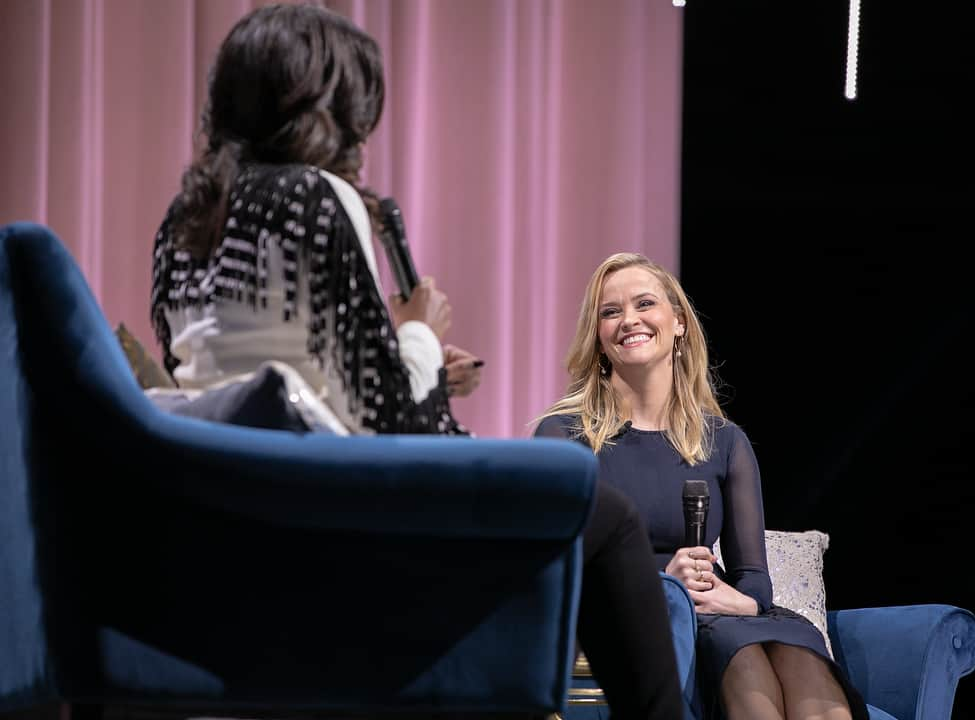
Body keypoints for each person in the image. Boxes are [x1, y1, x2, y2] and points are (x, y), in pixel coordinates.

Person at [148, 5, 684, 718]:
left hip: (235, 517)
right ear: (332, 103)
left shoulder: (182, 219)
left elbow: (238, 380)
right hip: (346, 520)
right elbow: (395, 421)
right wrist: (422, 333)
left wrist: (424, 365)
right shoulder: (316, 194)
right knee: (608, 517)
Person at [534, 252, 868, 720]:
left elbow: (752, 573)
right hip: (640, 617)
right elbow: (557, 570)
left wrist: (746, 601)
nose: (628, 319)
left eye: (644, 304)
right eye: (610, 312)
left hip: (720, 611)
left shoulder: (724, 441)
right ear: (598, 339)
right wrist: (661, 583)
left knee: (798, 660)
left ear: (678, 324)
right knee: (745, 662)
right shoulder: (563, 436)